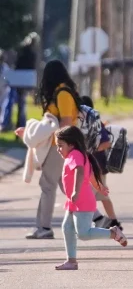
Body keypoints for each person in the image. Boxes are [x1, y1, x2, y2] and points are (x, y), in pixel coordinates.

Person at [16, 60, 81, 239]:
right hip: (61, 145)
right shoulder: (62, 92)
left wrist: (61, 145)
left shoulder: (62, 94)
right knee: (66, 186)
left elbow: (66, 121)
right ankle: (90, 219)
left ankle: (44, 227)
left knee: (47, 185)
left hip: (59, 146)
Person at [54, 126, 127, 270]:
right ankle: (71, 261)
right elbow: (91, 175)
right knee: (67, 228)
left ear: (71, 144)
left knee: (83, 233)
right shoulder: (78, 155)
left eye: (60, 146)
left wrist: (75, 191)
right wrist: (99, 187)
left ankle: (113, 233)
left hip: (82, 201)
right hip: (74, 201)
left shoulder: (75, 155)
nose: (58, 149)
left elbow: (80, 172)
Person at [80, 95, 123, 230]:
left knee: (87, 196)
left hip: (96, 167)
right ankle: (114, 222)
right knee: (103, 196)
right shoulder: (83, 125)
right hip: (94, 166)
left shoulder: (95, 125)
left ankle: (89, 224)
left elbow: (107, 143)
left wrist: (91, 149)